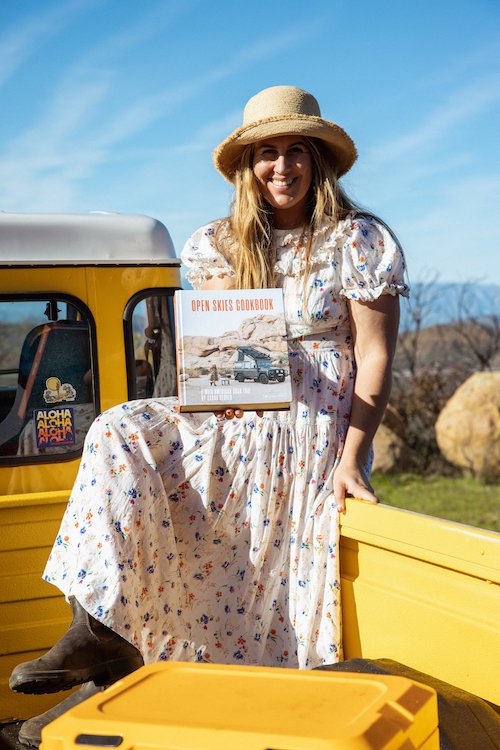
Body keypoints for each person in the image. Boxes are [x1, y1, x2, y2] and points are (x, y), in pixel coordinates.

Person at [10, 85, 409, 745]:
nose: (282, 166)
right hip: (239, 410)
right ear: (249, 166)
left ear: (318, 161)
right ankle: (102, 626)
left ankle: (230, 701)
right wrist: (210, 377)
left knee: (260, 583)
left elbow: (373, 355)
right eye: (267, 152)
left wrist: (352, 458)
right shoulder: (221, 243)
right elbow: (228, 349)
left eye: (296, 151)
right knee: (117, 430)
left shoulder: (356, 239)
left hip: (314, 426)